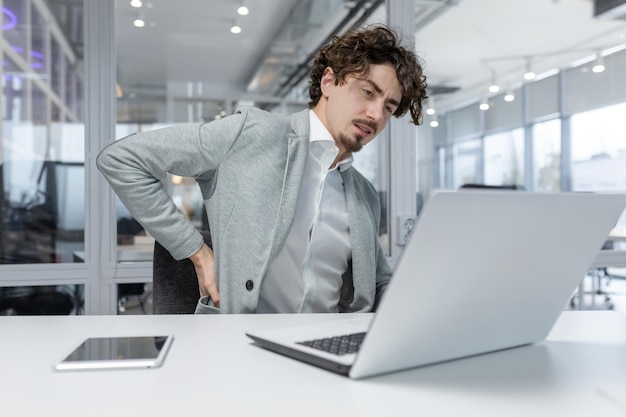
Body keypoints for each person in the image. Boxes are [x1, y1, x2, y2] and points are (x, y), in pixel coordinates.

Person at [97, 24, 428, 314]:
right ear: (329, 81)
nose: (375, 114)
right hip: (242, 347)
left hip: (328, 348)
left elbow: (378, 281)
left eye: (389, 106)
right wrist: (197, 252)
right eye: (367, 91)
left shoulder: (364, 195)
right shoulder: (253, 135)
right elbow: (123, 160)